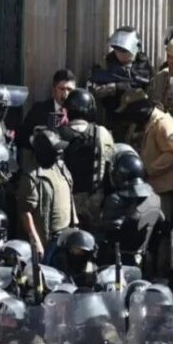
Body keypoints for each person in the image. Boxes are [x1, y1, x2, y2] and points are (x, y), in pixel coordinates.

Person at [117, 89, 173, 228]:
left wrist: (147, 169)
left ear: (139, 108)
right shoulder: (141, 124)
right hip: (150, 188)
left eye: (130, 111)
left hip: (165, 190)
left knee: (162, 227)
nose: (128, 117)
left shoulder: (162, 122)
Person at [58, 88, 115, 233]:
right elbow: (110, 165)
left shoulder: (57, 135)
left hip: (65, 202)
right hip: (94, 202)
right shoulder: (102, 133)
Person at [17, 128, 77, 264]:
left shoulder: (60, 167)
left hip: (66, 234)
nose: (59, 152)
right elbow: (25, 211)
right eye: (55, 149)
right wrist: (36, 241)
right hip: (48, 240)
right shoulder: (31, 176)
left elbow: (69, 194)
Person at [88, 26, 153, 142]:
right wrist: (102, 90)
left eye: (124, 51)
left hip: (139, 120)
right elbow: (93, 86)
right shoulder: (105, 64)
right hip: (114, 118)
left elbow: (145, 84)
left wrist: (117, 87)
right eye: (117, 50)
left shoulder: (142, 63)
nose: (120, 54)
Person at [18, 69, 77, 167]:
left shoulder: (79, 112)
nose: (66, 94)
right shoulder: (39, 109)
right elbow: (21, 137)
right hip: (43, 168)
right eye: (62, 89)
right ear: (53, 90)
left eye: (69, 90)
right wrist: (37, 140)